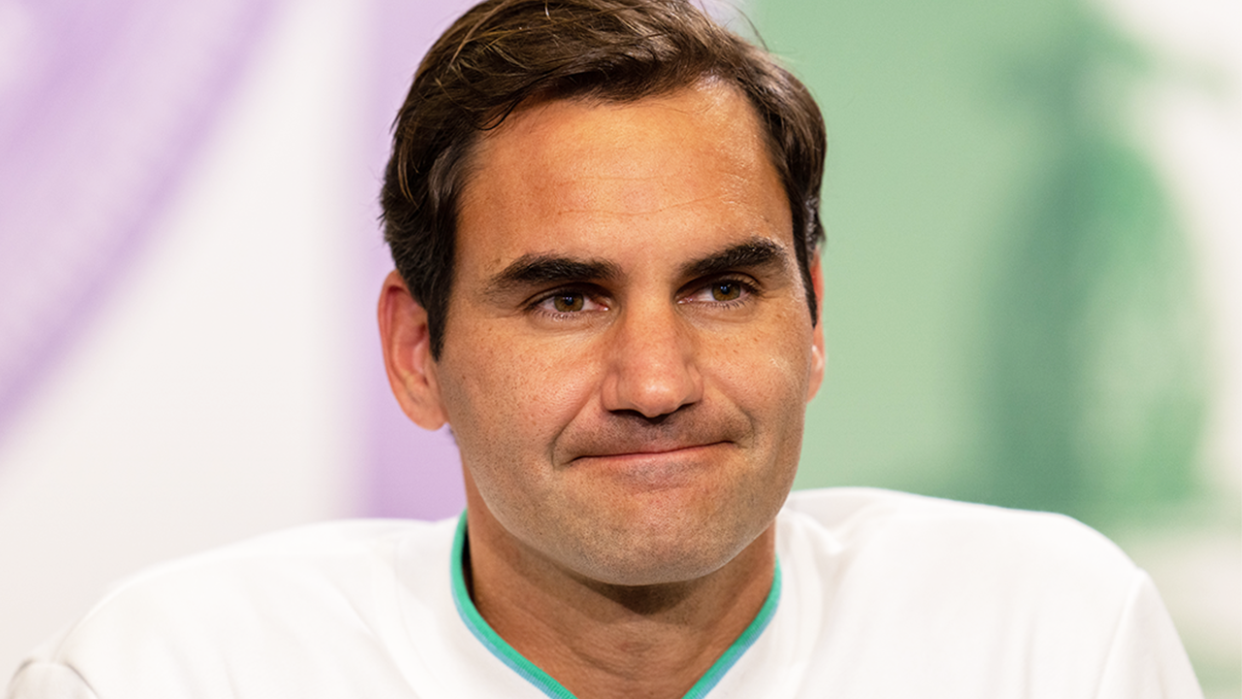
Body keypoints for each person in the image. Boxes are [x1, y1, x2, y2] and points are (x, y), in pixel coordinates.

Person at [7, 1, 1203, 697]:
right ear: (417, 351)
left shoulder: (1046, 644)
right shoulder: (171, 676)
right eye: (566, 299)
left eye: (724, 288)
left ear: (816, 318)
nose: (656, 383)